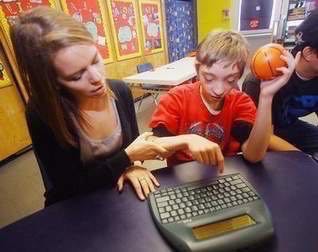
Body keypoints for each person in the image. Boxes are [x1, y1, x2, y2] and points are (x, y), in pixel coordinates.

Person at [10, 6, 171, 206]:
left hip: (119, 197)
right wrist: (126, 158)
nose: (97, 78)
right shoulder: (42, 114)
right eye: (76, 76)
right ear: (53, 82)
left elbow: (133, 150)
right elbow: (67, 190)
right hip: (80, 207)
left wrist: (134, 164)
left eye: (95, 60)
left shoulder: (120, 91)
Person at [148, 31, 299, 168]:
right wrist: (188, 140)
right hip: (182, 177)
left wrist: (267, 96)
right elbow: (155, 147)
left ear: (239, 77)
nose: (219, 90)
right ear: (197, 70)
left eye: (230, 80)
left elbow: (254, 156)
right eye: (209, 78)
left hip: (224, 174)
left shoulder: (240, 102)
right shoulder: (176, 98)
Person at [242, 9, 318, 156]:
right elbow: (262, 137)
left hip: (292, 128)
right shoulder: (262, 77)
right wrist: (304, 158)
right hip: (262, 135)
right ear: (308, 53)